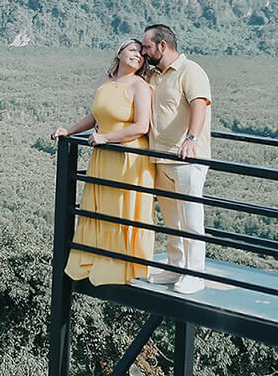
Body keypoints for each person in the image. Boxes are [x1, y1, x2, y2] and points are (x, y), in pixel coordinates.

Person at [54, 40, 157, 286]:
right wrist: (68, 131)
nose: (138, 56)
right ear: (119, 53)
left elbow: (142, 126)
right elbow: (95, 116)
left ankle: (122, 262)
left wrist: (105, 137)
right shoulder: (104, 81)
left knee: (121, 207)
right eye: (133, 50)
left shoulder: (140, 87)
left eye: (142, 55)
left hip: (127, 156)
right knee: (100, 207)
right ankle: (95, 256)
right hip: (103, 152)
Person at [141, 23, 213, 294]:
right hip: (160, 157)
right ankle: (175, 266)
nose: (144, 52)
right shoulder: (155, 75)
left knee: (191, 218)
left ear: (162, 45)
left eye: (147, 46)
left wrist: (191, 139)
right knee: (172, 218)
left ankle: (195, 274)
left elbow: (199, 103)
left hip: (186, 158)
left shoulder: (190, 70)